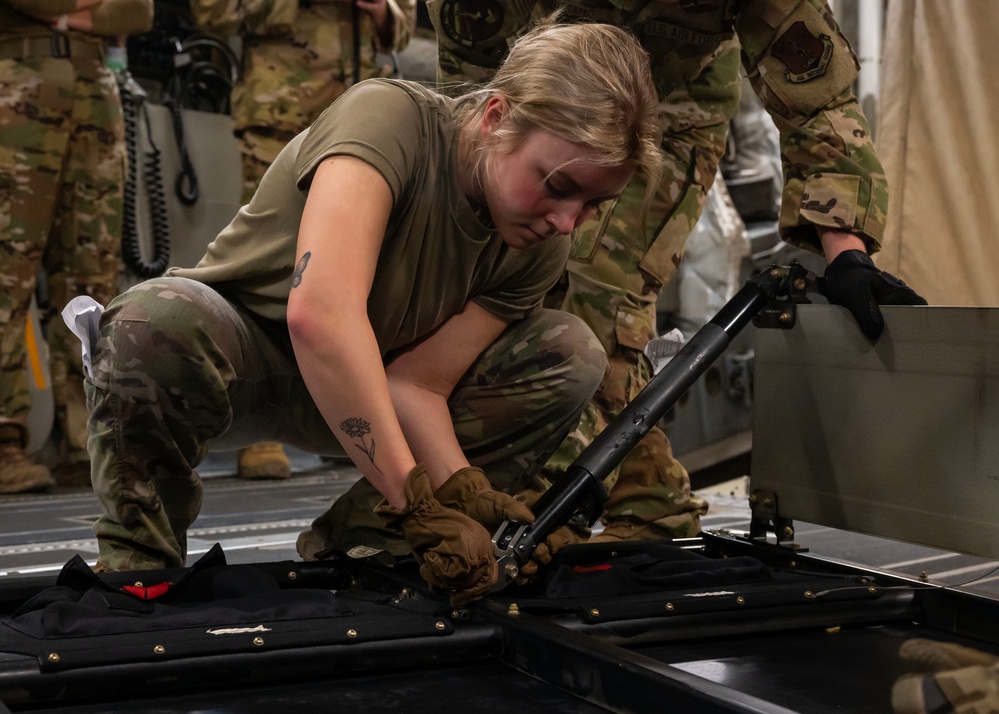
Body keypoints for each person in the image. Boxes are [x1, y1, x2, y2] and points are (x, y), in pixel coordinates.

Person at [80, 17, 665, 605]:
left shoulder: (538, 245)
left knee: (567, 350)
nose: (567, 221)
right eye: (557, 185)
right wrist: (416, 501)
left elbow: (417, 385)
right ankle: (140, 568)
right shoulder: (389, 118)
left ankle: (364, 547)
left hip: (364, 396)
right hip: (240, 366)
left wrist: (460, 493)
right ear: (495, 119)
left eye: (594, 203)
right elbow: (321, 316)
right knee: (150, 322)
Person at [337, 0, 921, 548]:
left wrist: (845, 252)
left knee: (600, 300)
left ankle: (541, 519)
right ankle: (651, 500)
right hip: (544, 102)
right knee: (510, 293)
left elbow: (816, 89)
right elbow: (477, 68)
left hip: (670, 113)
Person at [190, 0, 417, 480]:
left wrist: (384, 14)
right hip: (280, 112)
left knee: (357, 271)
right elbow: (214, 13)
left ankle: (351, 421)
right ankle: (262, 432)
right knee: (276, 266)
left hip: (363, 118)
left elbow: (403, 25)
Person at [0, 0, 154, 494]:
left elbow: (137, 11)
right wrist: (88, 9)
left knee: (91, 277)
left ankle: (84, 439)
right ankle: (4, 441)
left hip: (94, 92)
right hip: (15, 82)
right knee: (7, 272)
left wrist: (67, 14)